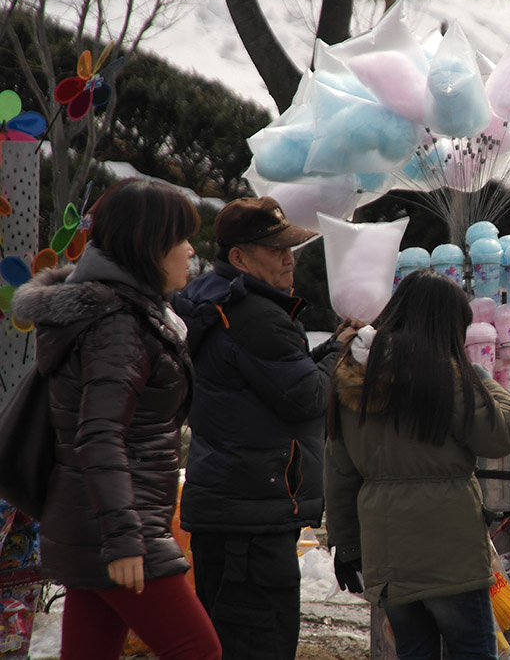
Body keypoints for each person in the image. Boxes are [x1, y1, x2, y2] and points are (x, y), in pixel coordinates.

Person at [11, 178, 222, 659]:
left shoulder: (126, 312)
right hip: (117, 528)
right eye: (180, 239)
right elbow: (100, 435)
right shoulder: (119, 323)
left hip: (95, 523)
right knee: (198, 650)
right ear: (149, 244)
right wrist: (124, 538)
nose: (191, 250)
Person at [172, 196, 340, 659]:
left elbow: (282, 378)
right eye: (275, 249)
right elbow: (307, 397)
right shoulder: (256, 316)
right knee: (259, 642)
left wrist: (331, 349)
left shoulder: (224, 304)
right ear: (240, 258)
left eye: (290, 248)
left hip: (235, 508)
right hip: (250, 519)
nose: (289, 258)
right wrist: (342, 357)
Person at [325, 268, 510, 660]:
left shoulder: (353, 376)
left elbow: (340, 472)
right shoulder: (449, 377)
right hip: (450, 556)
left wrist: (346, 546)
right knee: (473, 652)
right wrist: (482, 379)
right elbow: (502, 434)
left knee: (414, 652)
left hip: (388, 555)